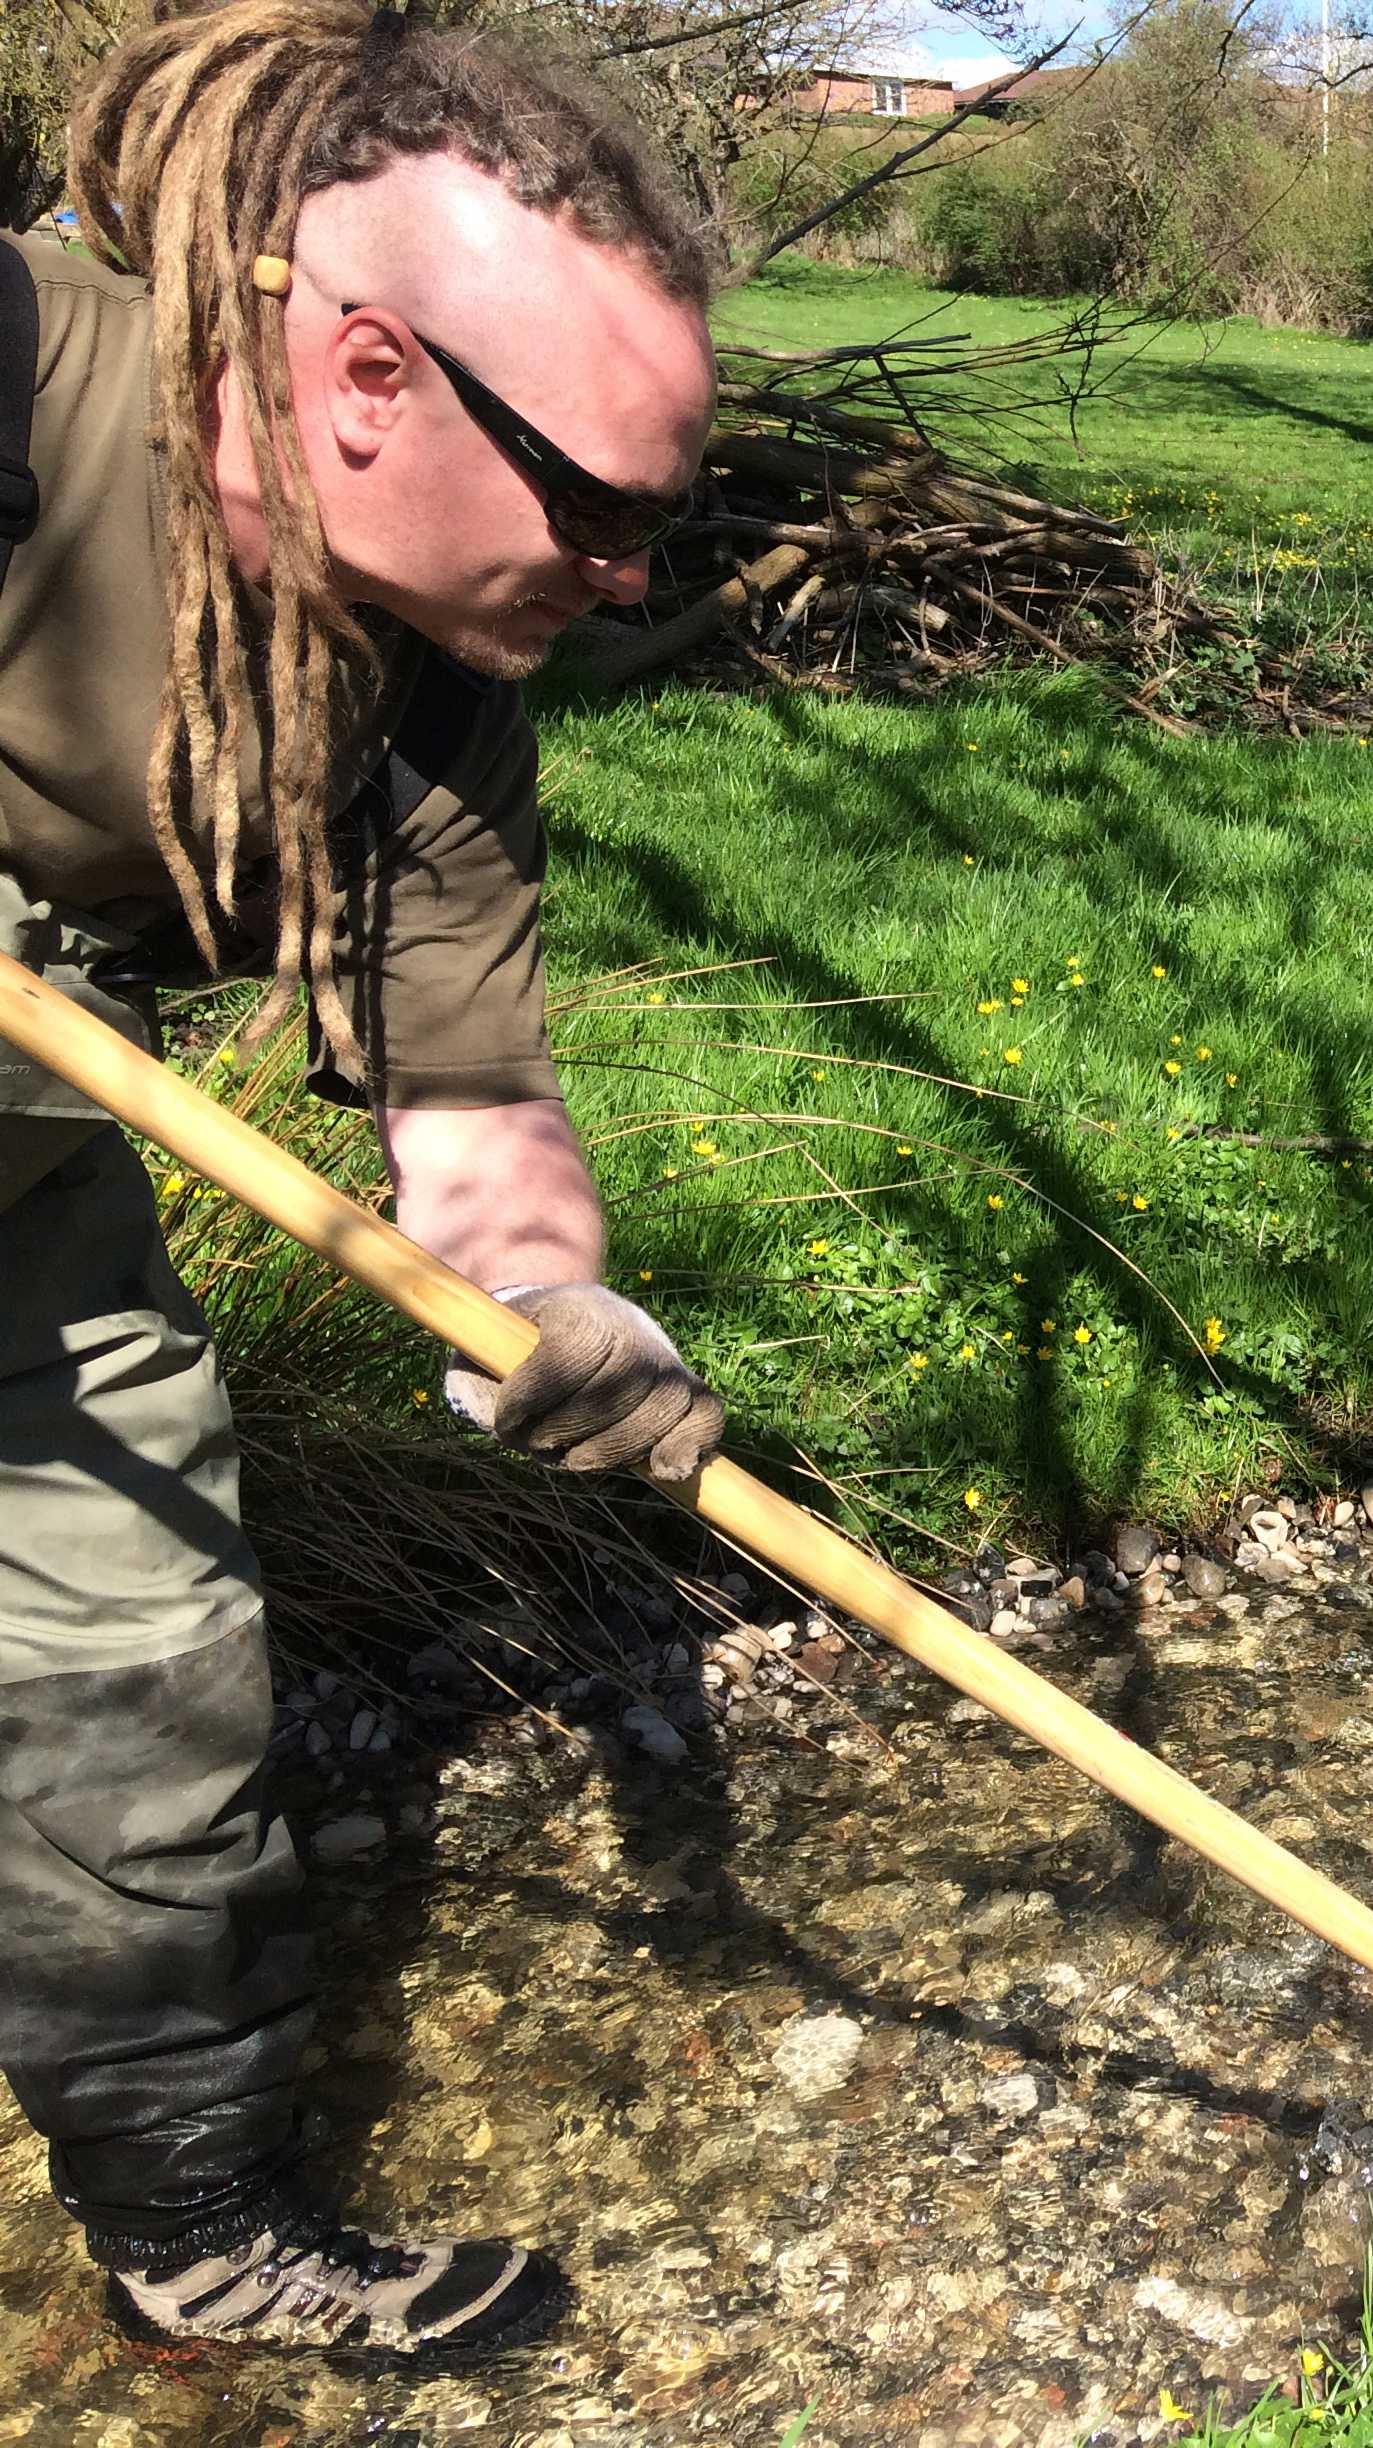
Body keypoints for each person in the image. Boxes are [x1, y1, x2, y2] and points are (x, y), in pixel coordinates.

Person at [0, 0, 727, 2358]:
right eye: (597, 505)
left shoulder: (430, 702)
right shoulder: (15, 378)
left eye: (660, 516)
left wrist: (556, 1313)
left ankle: (196, 2229)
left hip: (20, 1179)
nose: (631, 580)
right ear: (367, 376)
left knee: (143, 1632)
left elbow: (472, 1107)